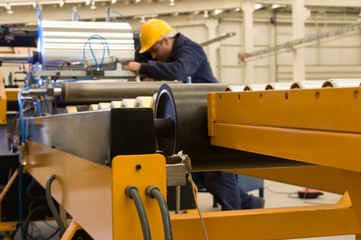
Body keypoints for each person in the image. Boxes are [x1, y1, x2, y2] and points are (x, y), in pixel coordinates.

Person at [124, 18, 264, 210]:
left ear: (165, 41)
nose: (154, 57)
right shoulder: (169, 55)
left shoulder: (191, 50)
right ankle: (252, 203)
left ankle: (235, 223)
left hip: (213, 116)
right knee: (209, 175)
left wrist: (143, 68)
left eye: (154, 51)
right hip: (195, 118)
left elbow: (180, 72)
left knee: (218, 175)